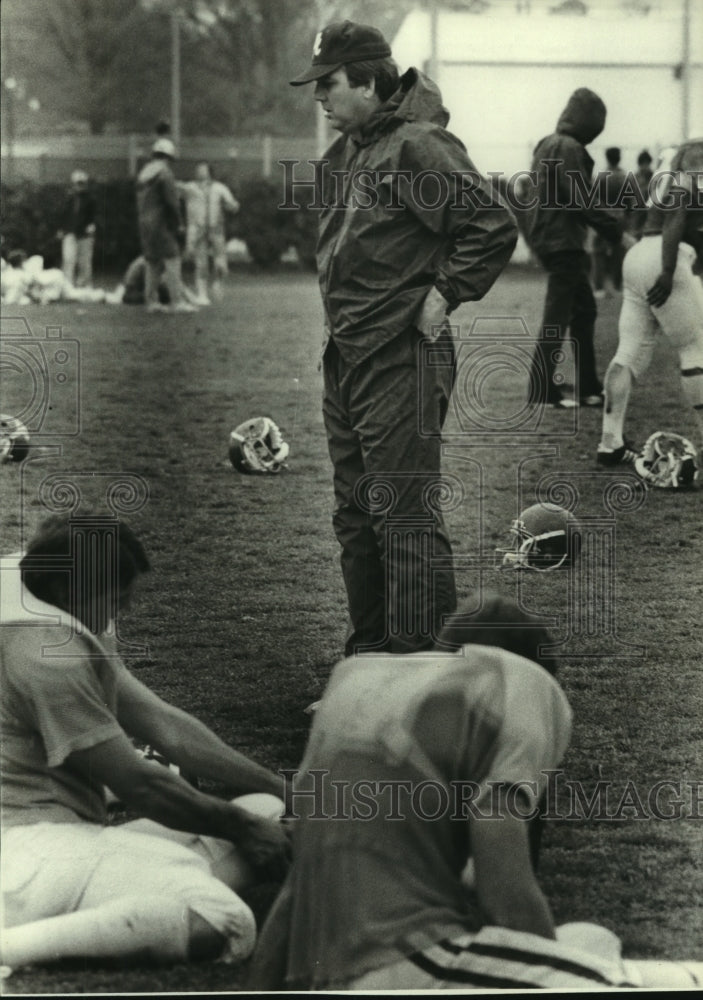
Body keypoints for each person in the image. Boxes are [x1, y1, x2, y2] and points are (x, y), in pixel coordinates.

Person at [248, 592, 702, 990]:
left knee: (591, 939)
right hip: (413, 962)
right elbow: (504, 891)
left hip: (328, 972)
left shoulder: (353, 681)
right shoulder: (519, 684)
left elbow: (297, 886)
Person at [289, 20, 517, 656]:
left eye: (328, 84)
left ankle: (418, 674)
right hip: (347, 357)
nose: (319, 97)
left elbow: (491, 224)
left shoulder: (419, 144)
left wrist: (442, 296)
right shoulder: (352, 148)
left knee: (403, 518)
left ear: (366, 79)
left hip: (399, 358)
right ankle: (368, 665)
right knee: (358, 521)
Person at [0, 515, 290, 971]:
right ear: (65, 592)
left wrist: (279, 786)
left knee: (265, 808)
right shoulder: (44, 655)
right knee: (229, 920)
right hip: (28, 852)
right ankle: (14, 947)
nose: (127, 608)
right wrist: (240, 829)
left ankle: (140, 898)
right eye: (117, 599)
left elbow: (164, 726)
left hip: (52, 843)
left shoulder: (34, 583)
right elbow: (139, 786)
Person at [525, 89, 634, 409]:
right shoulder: (570, 148)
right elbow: (580, 199)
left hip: (550, 238)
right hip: (564, 242)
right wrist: (617, 232)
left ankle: (588, 387)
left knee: (583, 311)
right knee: (557, 316)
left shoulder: (546, 144)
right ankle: (542, 388)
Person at [597, 139, 703, 466]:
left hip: (638, 257)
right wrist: (669, 271)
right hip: (664, 258)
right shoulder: (688, 182)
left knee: (628, 352)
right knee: (695, 347)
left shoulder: (667, 179)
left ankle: (609, 441)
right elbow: (675, 224)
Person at [136, 137, 197, 314]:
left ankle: (151, 302)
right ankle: (177, 302)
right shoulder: (165, 174)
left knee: (153, 262)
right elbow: (172, 203)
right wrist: (179, 223)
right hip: (161, 223)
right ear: (169, 157)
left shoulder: (144, 173)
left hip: (145, 224)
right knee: (173, 259)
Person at [179, 162, 240, 304]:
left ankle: (218, 283)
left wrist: (231, 206)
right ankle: (202, 294)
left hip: (216, 229)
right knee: (201, 263)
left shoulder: (219, 188)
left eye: (202, 169)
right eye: (197, 169)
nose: (199, 172)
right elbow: (173, 189)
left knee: (221, 263)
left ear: (209, 172)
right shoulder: (190, 188)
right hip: (198, 229)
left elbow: (233, 204)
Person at [0, 250, 106, 305]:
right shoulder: (15, 273)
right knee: (73, 295)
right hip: (53, 281)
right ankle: (100, 295)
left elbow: (34, 280)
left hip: (54, 281)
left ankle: (100, 295)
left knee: (72, 295)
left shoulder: (27, 268)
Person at [592, 147, 629, 297]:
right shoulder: (624, 177)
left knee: (598, 251)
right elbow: (629, 201)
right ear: (619, 158)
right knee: (618, 252)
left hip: (603, 214)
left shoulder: (601, 176)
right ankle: (617, 285)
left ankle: (599, 287)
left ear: (607, 158)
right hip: (619, 215)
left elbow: (593, 199)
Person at [105, 254, 201, 307]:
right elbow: (163, 281)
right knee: (164, 295)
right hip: (132, 291)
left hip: (136, 288)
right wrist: (186, 295)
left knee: (165, 294)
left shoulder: (151, 261)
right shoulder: (150, 263)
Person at [57, 169, 97, 289]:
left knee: (85, 261)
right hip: (70, 232)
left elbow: (94, 216)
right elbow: (63, 214)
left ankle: (84, 284)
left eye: (81, 183)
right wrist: (61, 229)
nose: (79, 186)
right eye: (77, 183)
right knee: (68, 259)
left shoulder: (91, 199)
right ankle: (68, 284)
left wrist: (92, 226)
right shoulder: (69, 198)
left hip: (84, 234)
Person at [627, 149, 654, 241]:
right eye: (643, 164)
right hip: (636, 216)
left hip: (649, 216)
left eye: (647, 164)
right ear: (639, 164)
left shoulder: (653, 177)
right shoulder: (633, 178)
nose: (645, 166)